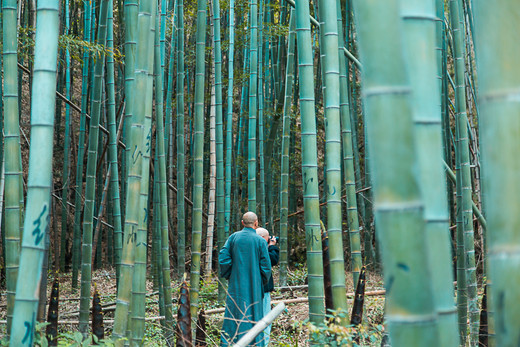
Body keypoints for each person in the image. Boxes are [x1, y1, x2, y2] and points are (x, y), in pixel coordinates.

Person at [219, 212, 272, 346]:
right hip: (254, 286)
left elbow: (223, 258)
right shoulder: (260, 241)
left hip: (236, 286)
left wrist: (231, 274)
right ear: (256, 223)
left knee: (233, 315)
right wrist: (260, 281)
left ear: (242, 223)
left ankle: (230, 343)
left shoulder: (233, 238)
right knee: (254, 315)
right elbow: (266, 267)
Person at [256, 227, 279, 346]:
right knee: (265, 317)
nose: (269, 239)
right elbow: (273, 259)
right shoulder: (261, 247)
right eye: (267, 237)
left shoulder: (248, 246)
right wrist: (272, 246)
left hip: (249, 288)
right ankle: (263, 343)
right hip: (263, 289)